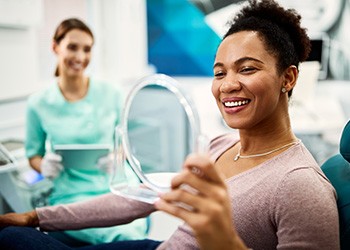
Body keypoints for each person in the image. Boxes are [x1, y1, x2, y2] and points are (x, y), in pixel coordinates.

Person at [0, 1, 340, 249]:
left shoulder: (301, 188)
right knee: (14, 234)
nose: (227, 85)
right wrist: (37, 217)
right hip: (157, 245)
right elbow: (138, 200)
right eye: (220, 72)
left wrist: (224, 243)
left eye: (247, 69)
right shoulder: (220, 147)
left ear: (288, 77)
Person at [23, 18, 148, 245]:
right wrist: (44, 166)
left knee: (130, 234)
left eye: (87, 49)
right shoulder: (38, 103)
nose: (80, 57)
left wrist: (117, 159)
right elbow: (33, 155)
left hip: (114, 186)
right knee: (113, 237)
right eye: (72, 47)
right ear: (55, 47)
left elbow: (125, 143)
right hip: (69, 193)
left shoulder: (111, 94)